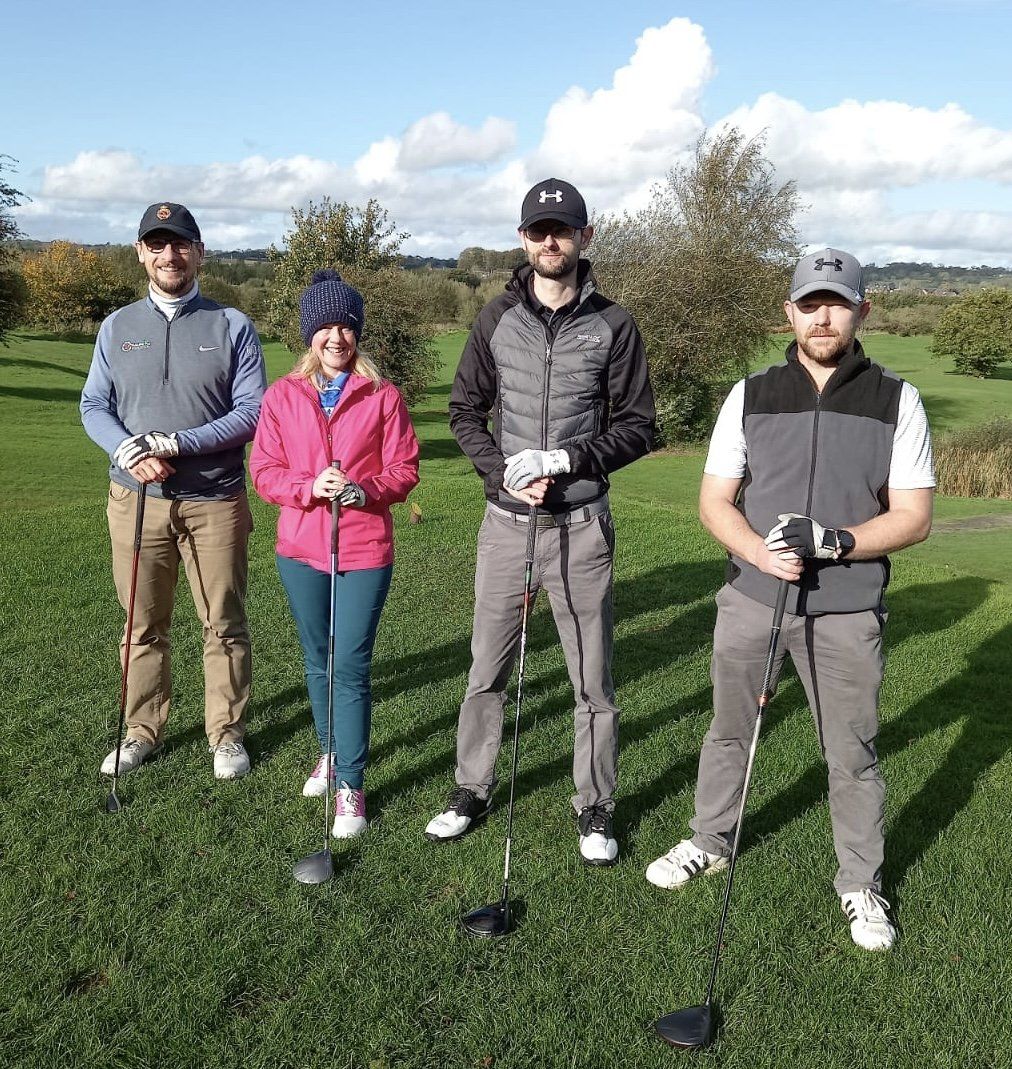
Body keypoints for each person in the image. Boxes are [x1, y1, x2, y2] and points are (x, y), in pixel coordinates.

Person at [646, 248, 935, 950]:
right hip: (752, 598)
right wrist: (757, 551)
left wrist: (834, 541)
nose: (822, 317)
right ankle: (710, 839)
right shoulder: (750, 394)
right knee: (729, 730)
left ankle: (860, 882)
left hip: (847, 608)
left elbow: (914, 517)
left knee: (851, 750)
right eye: (810, 304)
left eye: (837, 303)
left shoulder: (896, 400)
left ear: (863, 311)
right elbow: (715, 501)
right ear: (790, 312)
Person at [424, 178, 656, 866]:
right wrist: (503, 472)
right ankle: (471, 788)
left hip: (580, 525)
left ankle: (594, 804)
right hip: (506, 524)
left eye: (562, 230)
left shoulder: (614, 324)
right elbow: (464, 411)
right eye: (537, 231)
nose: (549, 241)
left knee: (592, 679)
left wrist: (568, 458)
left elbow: (639, 426)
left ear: (585, 236)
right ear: (523, 239)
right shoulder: (496, 318)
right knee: (486, 668)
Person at [81, 202, 266, 781]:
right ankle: (141, 730)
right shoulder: (117, 327)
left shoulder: (231, 325)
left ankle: (226, 734)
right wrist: (129, 450)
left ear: (200, 253)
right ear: (141, 253)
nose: (170, 255)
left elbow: (251, 412)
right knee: (141, 623)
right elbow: (95, 404)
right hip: (135, 500)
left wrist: (178, 443)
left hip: (215, 499)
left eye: (181, 243)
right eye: (157, 244)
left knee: (223, 621)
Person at [250, 270, 419, 837]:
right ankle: (329, 751)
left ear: (357, 333)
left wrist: (364, 490)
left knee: (348, 666)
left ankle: (351, 783)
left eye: (346, 326)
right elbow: (264, 471)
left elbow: (405, 468)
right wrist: (308, 487)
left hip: (364, 550)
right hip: (300, 549)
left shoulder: (382, 395)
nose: (336, 337)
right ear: (309, 334)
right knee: (317, 658)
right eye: (325, 326)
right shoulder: (282, 396)